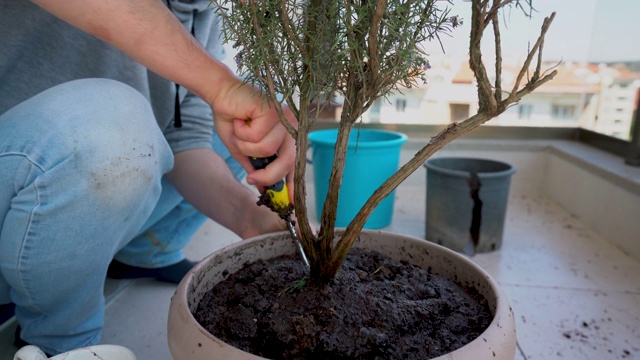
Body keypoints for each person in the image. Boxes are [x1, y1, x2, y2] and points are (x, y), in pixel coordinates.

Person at [0, 0, 297, 356]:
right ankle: (57, 343)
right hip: (15, 192)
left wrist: (248, 215)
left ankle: (140, 253)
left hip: (72, 175)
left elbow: (185, 139)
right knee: (114, 123)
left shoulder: (202, 10)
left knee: (250, 122)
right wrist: (219, 86)